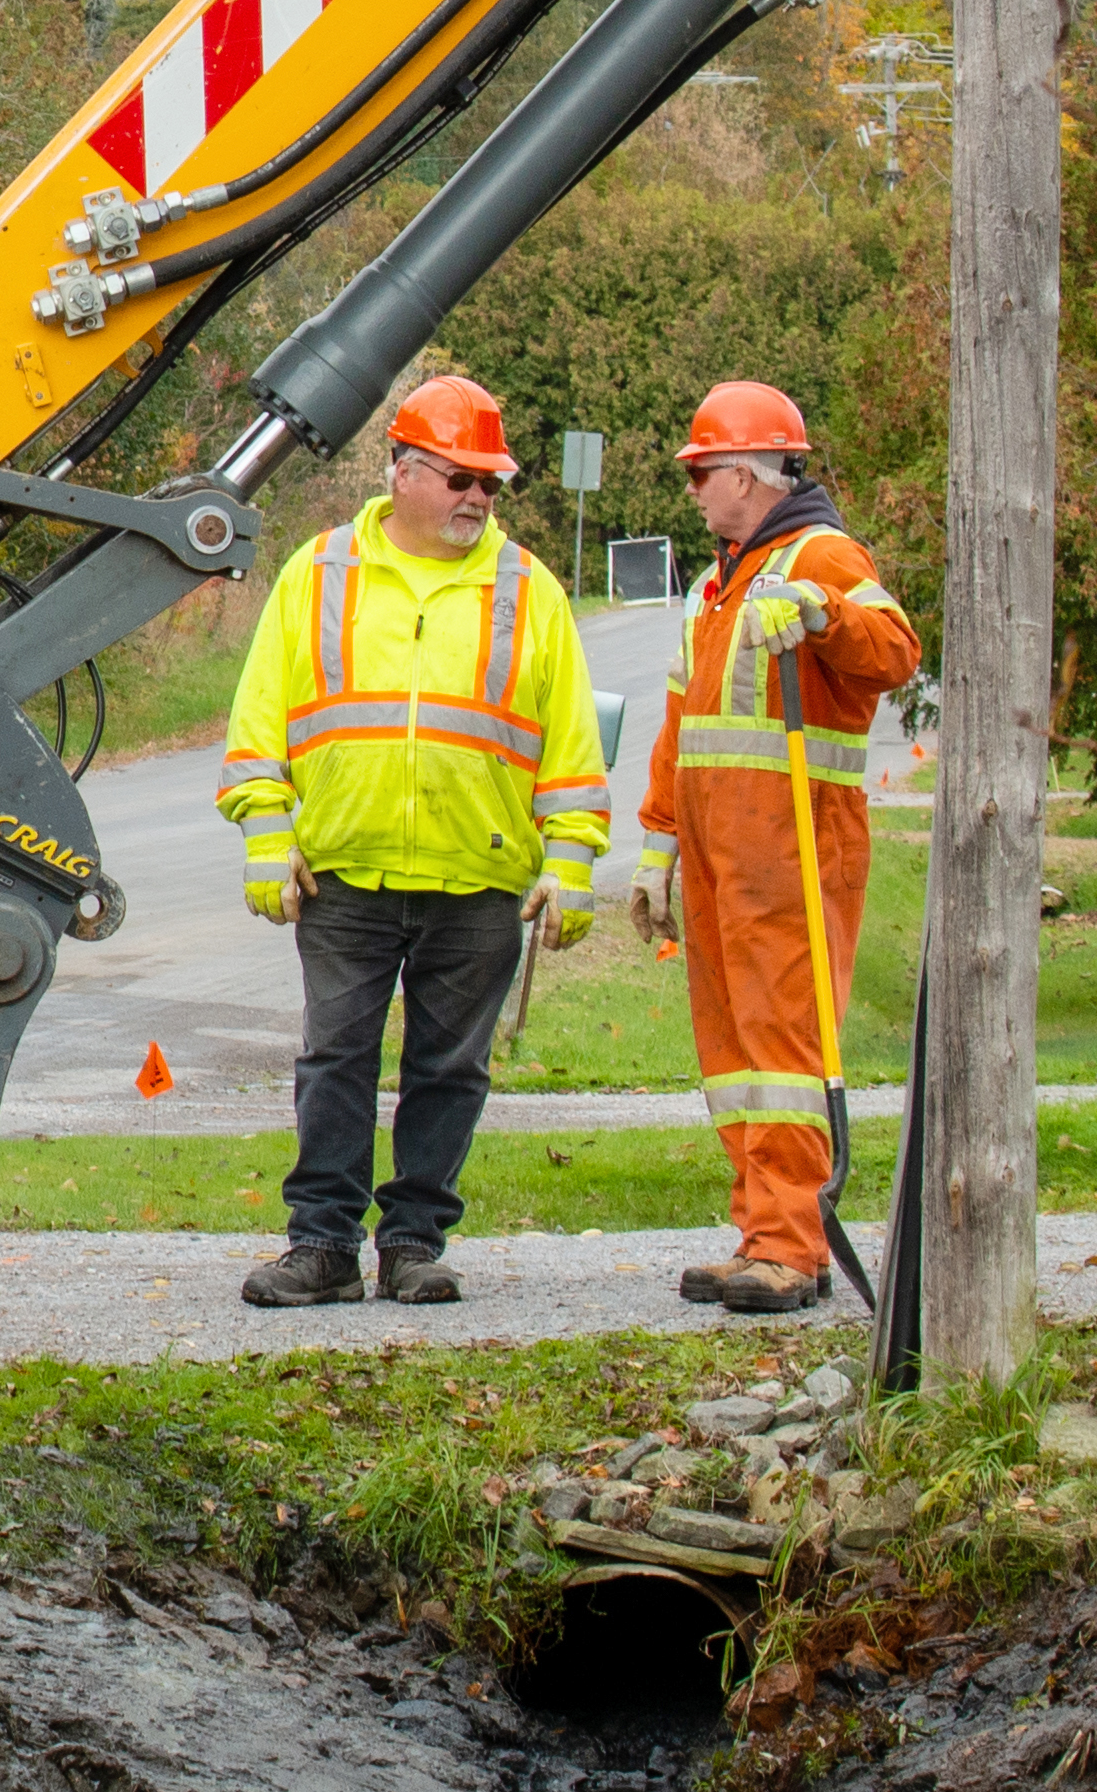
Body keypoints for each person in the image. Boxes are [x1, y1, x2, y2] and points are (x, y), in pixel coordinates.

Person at [214, 373, 600, 1309]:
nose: (476, 498)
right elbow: (259, 724)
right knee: (335, 1059)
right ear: (400, 471)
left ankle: (416, 1242)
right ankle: (323, 1246)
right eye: (459, 478)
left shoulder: (529, 589)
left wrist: (572, 861)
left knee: (449, 1067)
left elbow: (572, 743)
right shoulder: (320, 573)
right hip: (345, 874)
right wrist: (269, 836)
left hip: (476, 880)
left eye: (490, 484)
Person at [628, 380, 924, 1317]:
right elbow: (683, 719)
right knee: (737, 1052)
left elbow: (897, 651)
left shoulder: (821, 555)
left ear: (749, 474)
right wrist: (657, 845)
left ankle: (793, 1246)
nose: (695, 490)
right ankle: (762, 1231)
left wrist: (825, 614)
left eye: (702, 472)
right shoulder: (717, 583)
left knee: (786, 1045)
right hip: (725, 851)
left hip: (795, 840)